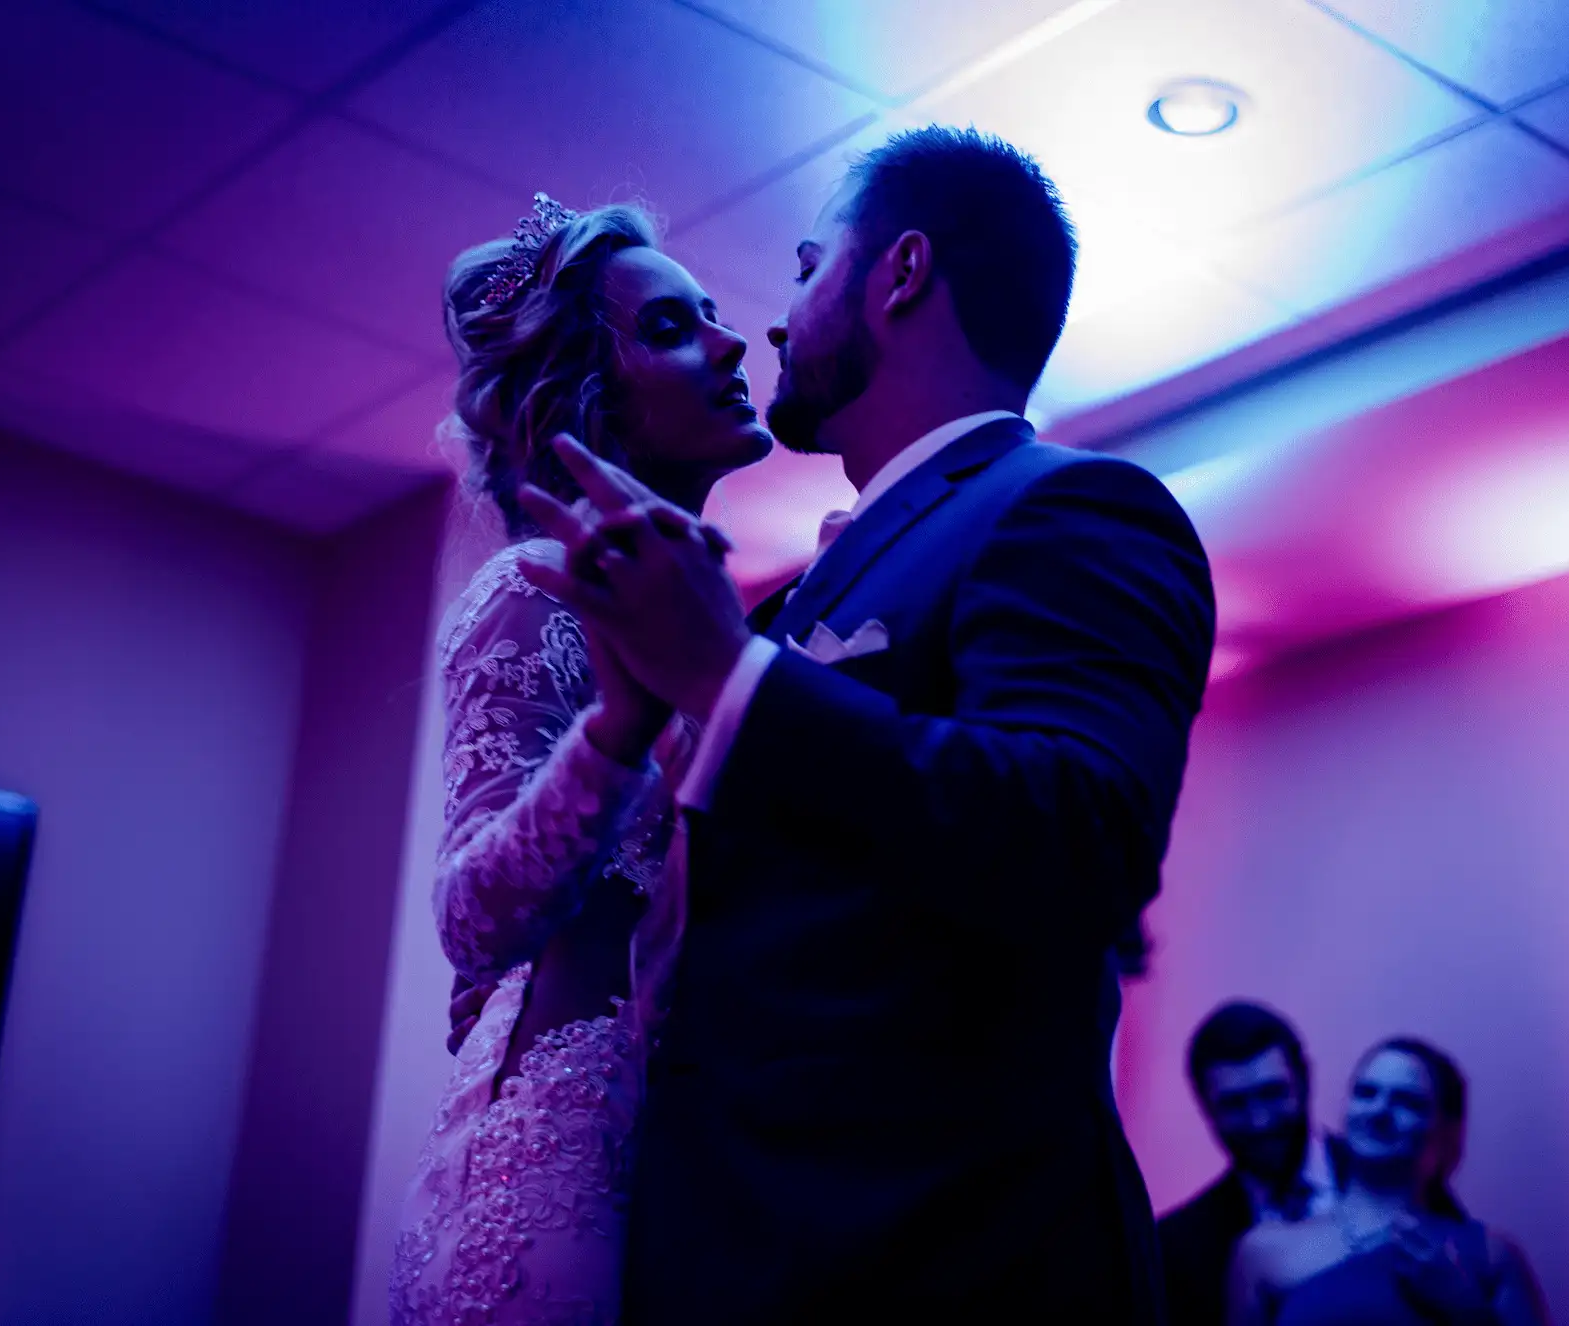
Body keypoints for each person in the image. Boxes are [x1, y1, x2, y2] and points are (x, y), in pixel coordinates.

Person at [517, 125, 1217, 1323]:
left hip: (941, 1268)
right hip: (741, 1258)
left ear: (896, 273)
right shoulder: (793, 596)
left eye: (804, 265)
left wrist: (733, 679)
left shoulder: (1072, 508)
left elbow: (1083, 833)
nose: (777, 321)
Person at [387, 194, 772, 1326]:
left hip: (682, 1144)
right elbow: (470, 917)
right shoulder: (529, 591)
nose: (730, 341)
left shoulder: (705, 630)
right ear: (584, 401)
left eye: (709, 315)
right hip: (565, 1157)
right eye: (668, 329)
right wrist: (617, 731)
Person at [1228, 1039, 1549, 1326]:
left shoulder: (1492, 1256)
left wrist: (1465, 1307)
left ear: (1447, 1129)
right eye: (1366, 1093)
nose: (1380, 1110)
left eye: (1407, 1102)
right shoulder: (1265, 1251)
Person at [1158, 1002, 1341, 1326]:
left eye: (1272, 1093)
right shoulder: (1177, 1245)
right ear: (1205, 1109)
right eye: (1234, 1104)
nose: (1259, 1121)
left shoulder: (1396, 1182)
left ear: (1304, 1081)